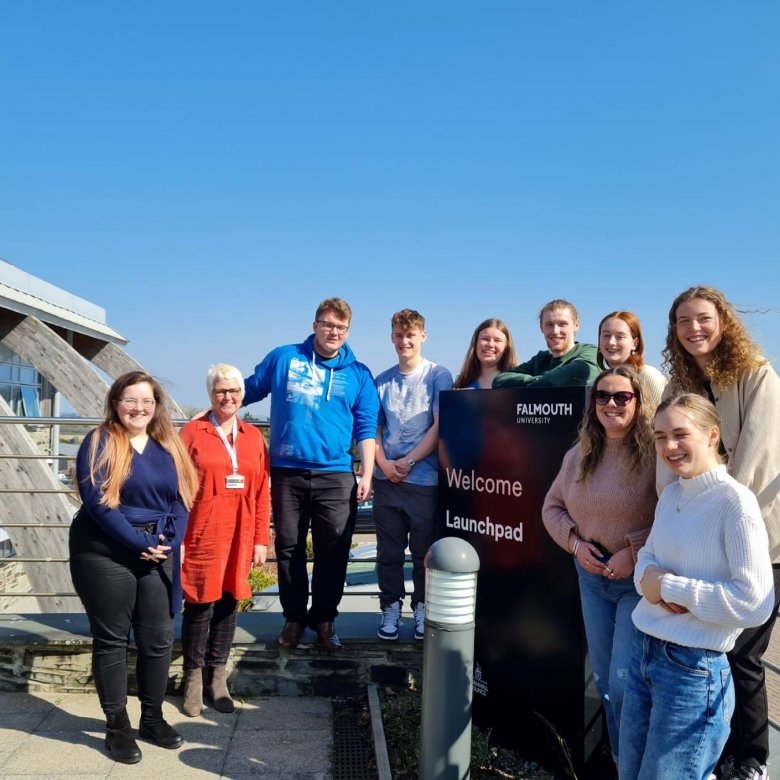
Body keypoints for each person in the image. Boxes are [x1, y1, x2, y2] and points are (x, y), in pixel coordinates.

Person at [619, 393, 774, 780]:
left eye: (680, 434)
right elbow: (644, 567)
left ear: (712, 435)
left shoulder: (735, 503)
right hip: (645, 653)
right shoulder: (671, 494)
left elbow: (754, 602)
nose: (668, 446)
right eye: (659, 436)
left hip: (694, 672)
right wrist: (653, 583)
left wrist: (669, 588)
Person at [660, 285, 780, 780]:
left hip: (759, 537)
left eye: (703, 318)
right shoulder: (677, 386)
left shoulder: (758, 377)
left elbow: (756, 462)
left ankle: (751, 758)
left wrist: (710, 515)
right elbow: (667, 462)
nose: (694, 329)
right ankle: (715, 750)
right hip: (696, 540)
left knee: (743, 652)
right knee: (709, 650)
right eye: (684, 321)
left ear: (723, 321)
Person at [69, 371, 198, 764]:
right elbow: (97, 501)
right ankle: (116, 728)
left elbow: (182, 499)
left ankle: (153, 719)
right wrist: (139, 543)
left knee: (157, 640)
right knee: (112, 640)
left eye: (147, 401)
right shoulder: (100, 441)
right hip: (105, 550)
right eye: (130, 400)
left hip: (157, 550)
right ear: (115, 402)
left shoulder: (168, 444)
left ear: (156, 406)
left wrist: (168, 542)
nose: (138, 408)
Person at [243, 297, 379, 652]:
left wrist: (367, 472)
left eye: (341, 327)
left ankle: (324, 618)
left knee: (333, 551)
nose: (334, 332)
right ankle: (292, 618)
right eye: (328, 325)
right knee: (288, 548)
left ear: (347, 331)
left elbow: (365, 427)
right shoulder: (284, 357)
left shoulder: (359, 374)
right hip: (287, 472)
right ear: (315, 325)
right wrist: (217, 406)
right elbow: (249, 389)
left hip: (336, 475)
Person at [542, 366, 657, 765]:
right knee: (607, 684)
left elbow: (675, 514)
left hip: (636, 585)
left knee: (628, 685)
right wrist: (574, 545)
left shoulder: (656, 455)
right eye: (603, 396)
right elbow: (551, 507)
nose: (611, 404)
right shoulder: (579, 454)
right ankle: (621, 762)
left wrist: (635, 550)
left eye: (622, 396)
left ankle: (637, 763)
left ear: (638, 402)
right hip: (591, 581)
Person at [179, 364, 271, 716]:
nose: (228, 397)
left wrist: (261, 540)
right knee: (200, 604)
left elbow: (262, 492)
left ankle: (217, 675)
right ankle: (191, 677)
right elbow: (178, 488)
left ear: (243, 396)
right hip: (202, 531)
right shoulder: (192, 433)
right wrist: (179, 538)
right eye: (220, 391)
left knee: (230, 601)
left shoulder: (252, 438)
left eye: (233, 391)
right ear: (210, 395)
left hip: (240, 533)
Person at [374, 309, 453, 641]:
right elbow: (372, 430)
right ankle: (391, 607)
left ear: (423, 336)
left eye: (410, 335)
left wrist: (408, 461)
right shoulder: (381, 381)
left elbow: (440, 425)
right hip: (386, 481)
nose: (404, 341)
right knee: (389, 552)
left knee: (424, 552)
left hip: (423, 481)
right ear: (391, 337)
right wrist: (384, 463)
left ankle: (422, 607)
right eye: (398, 335)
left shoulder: (438, 375)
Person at [493, 299, 600, 388]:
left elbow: (569, 376)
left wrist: (537, 382)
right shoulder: (540, 359)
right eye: (549, 324)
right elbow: (499, 380)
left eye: (562, 324)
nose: (555, 331)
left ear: (576, 325)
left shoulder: (591, 352)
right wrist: (538, 380)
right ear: (541, 327)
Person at [597, 310, 666, 408]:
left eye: (620, 337)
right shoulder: (601, 381)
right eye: (606, 335)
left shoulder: (647, 376)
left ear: (635, 343)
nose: (611, 342)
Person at [452, 318, 518, 390]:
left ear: (506, 348)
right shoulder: (462, 382)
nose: (490, 344)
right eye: (485, 339)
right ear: (475, 343)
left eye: (497, 340)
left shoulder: (515, 382)